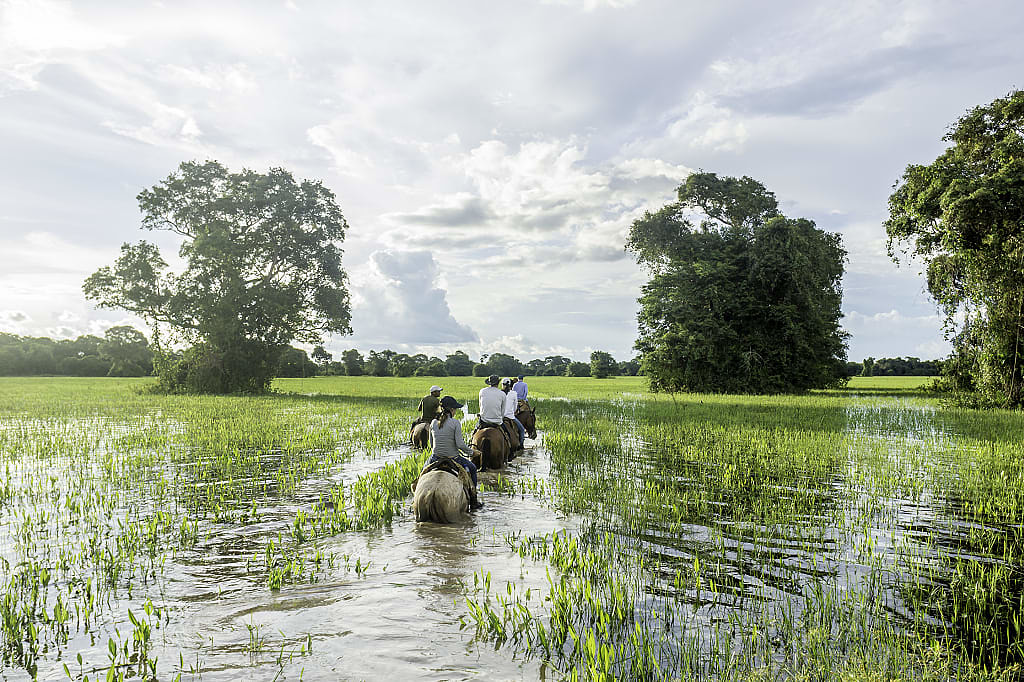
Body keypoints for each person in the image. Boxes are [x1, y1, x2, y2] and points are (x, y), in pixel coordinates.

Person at [428, 395, 482, 509]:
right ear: (451, 410)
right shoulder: (455, 423)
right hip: (454, 458)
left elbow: (432, 444)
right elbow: (460, 445)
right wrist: (472, 453)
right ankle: (474, 500)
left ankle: (414, 500)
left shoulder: (433, 422)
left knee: (422, 474)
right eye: (455, 409)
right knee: (472, 468)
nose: (456, 411)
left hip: (435, 458)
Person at [502, 378, 527, 447]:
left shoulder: (499, 393)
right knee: (522, 429)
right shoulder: (513, 393)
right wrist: (512, 412)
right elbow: (515, 407)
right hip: (510, 416)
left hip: (499, 416)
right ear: (510, 385)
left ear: (502, 385)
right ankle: (521, 445)